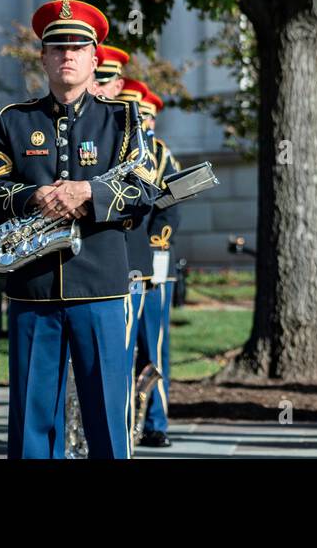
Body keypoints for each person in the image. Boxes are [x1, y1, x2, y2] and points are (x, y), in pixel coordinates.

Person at [0, 0, 159, 459]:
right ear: (42, 58)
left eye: (78, 47)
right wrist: (32, 196)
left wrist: (89, 194)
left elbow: (144, 191)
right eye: (56, 47)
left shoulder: (122, 119)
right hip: (33, 287)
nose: (67, 55)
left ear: (95, 59)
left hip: (99, 285)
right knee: (32, 420)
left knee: (105, 417)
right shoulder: (12, 120)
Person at [135, 85, 180, 448]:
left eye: (147, 115)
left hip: (153, 266)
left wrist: (154, 248)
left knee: (154, 346)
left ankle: (156, 421)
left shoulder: (161, 154)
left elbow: (170, 206)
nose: (144, 122)